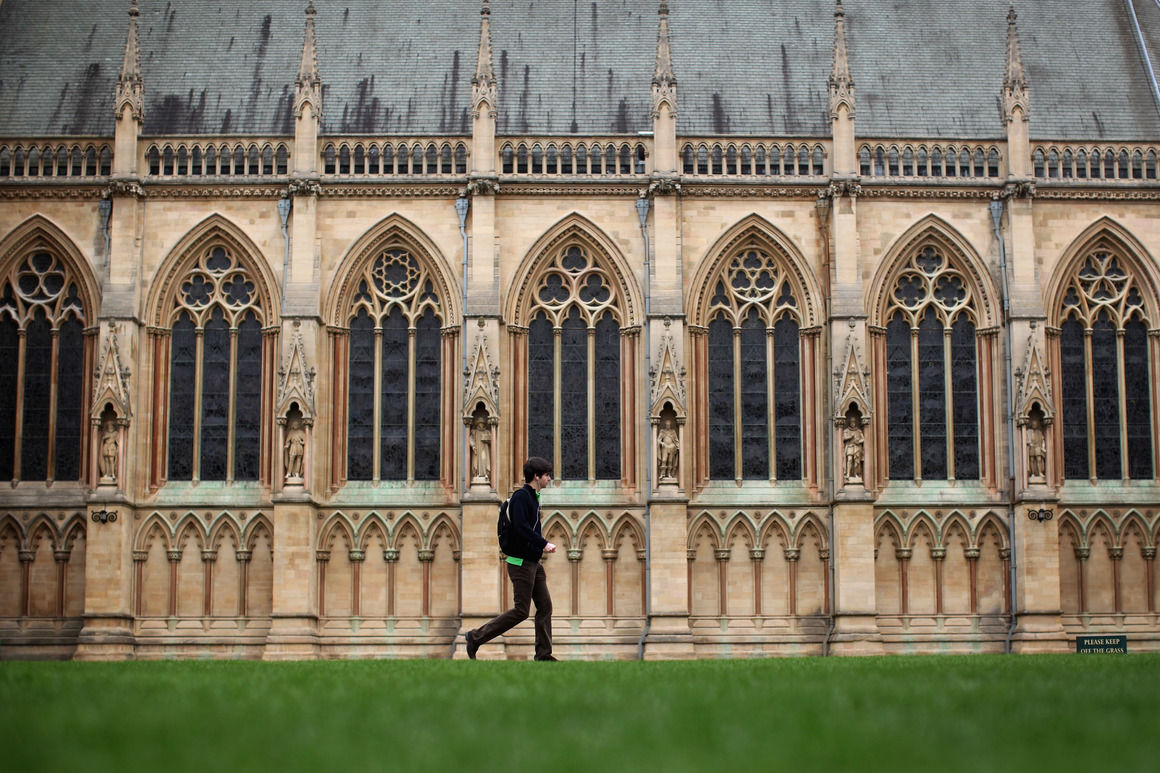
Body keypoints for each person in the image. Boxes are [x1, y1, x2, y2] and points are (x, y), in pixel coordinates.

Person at [464, 456, 558, 661]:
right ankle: (475, 637)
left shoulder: (533, 497)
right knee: (521, 611)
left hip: (533, 562)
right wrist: (544, 543)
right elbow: (521, 527)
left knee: (545, 606)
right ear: (536, 476)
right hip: (520, 562)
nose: (549, 479)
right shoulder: (521, 497)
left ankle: (543, 655)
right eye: (547, 475)